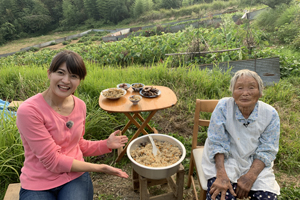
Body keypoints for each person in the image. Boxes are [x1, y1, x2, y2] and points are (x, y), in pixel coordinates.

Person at [16, 50, 129, 200]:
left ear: (80, 80)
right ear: (50, 73)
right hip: (38, 182)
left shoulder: (80, 106)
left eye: (73, 76)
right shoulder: (29, 111)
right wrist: (100, 168)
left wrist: (105, 144)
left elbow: (78, 145)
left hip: (73, 177)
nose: (66, 81)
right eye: (60, 73)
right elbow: (52, 161)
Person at [202, 69, 280, 200]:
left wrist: (250, 177)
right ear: (233, 92)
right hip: (225, 160)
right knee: (219, 195)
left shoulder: (270, 114)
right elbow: (217, 142)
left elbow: (267, 149)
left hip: (255, 162)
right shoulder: (223, 106)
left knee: (267, 197)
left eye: (251, 87)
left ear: (260, 92)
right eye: (239, 88)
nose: (245, 93)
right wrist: (221, 175)